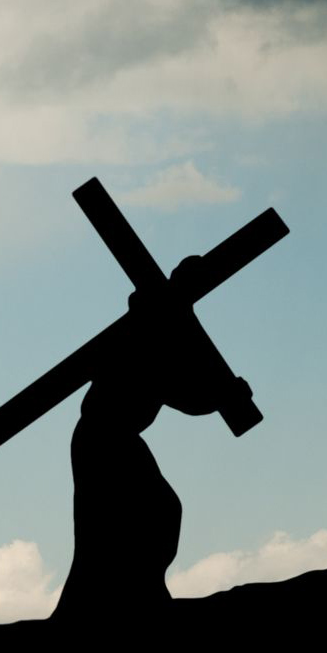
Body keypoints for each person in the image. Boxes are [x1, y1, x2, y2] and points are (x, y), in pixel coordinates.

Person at [50, 260, 222, 623]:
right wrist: (220, 398)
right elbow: (181, 393)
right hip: (103, 438)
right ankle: (116, 602)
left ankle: (139, 592)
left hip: (118, 438)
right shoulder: (146, 330)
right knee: (119, 521)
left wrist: (221, 397)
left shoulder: (164, 331)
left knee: (152, 512)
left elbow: (181, 392)